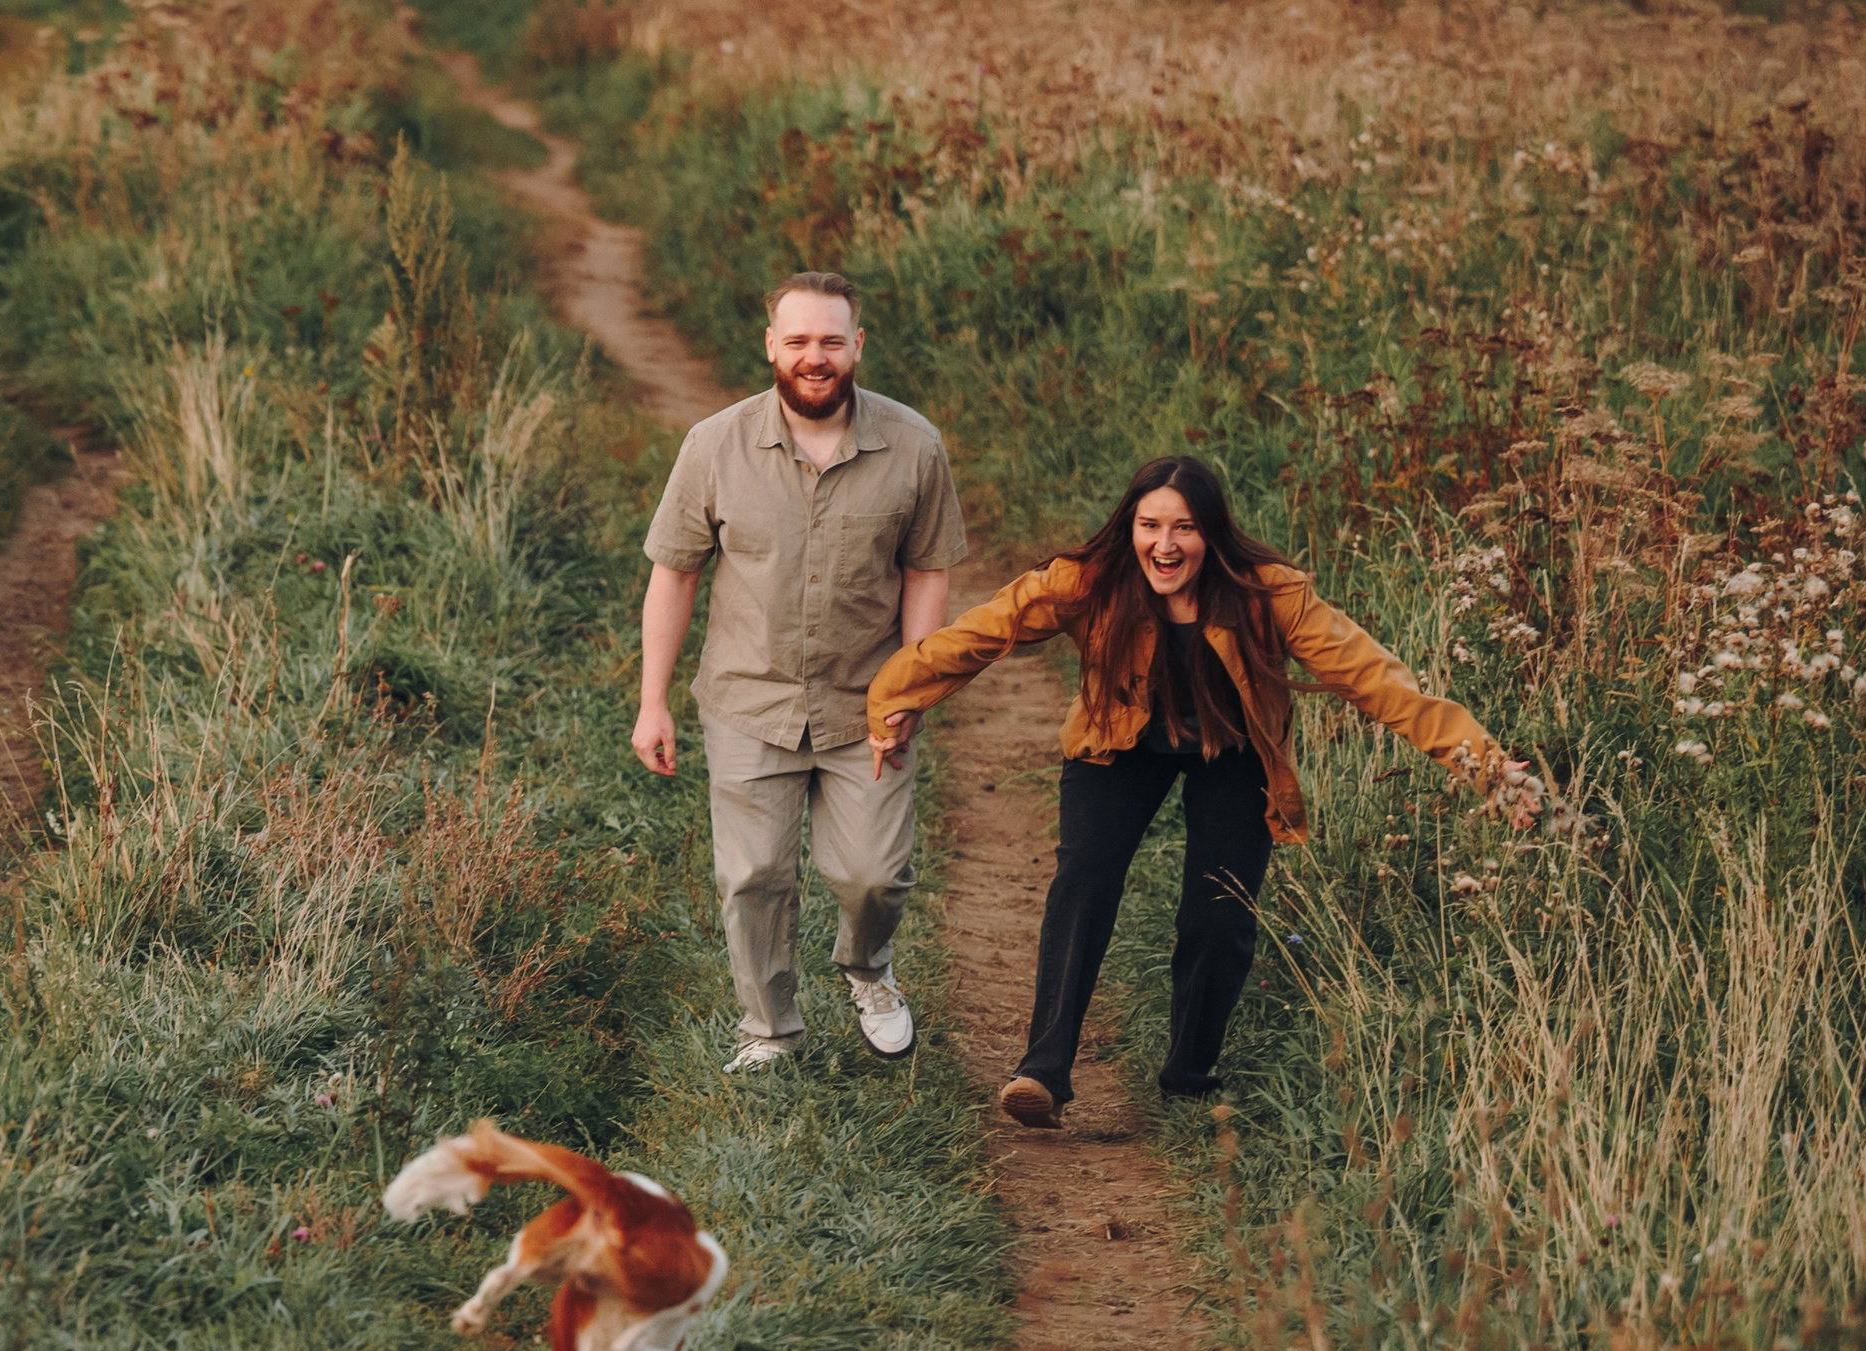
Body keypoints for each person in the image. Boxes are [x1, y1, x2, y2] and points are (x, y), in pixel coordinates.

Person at [866, 455, 1533, 1126]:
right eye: (1150, 526)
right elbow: (979, 635)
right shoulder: (1089, 582)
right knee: (1084, 881)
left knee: (1221, 915)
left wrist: (1489, 769)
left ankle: (1189, 1079)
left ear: (1211, 533)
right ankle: (1042, 1072)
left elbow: (1377, 680)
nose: (1165, 544)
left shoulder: (1268, 594)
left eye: (1184, 527)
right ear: (1130, 527)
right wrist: (892, 699)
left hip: (1234, 750)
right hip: (1116, 743)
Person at [637, 271, 967, 1071]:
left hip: (869, 705)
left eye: (830, 341)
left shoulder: (913, 445)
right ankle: (770, 1032)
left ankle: (869, 970)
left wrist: (912, 687)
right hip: (750, 700)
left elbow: (928, 571)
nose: (813, 358)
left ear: (857, 345)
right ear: (770, 347)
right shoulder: (714, 446)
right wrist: (654, 703)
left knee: (874, 877)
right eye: (797, 341)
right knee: (752, 877)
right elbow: (675, 573)